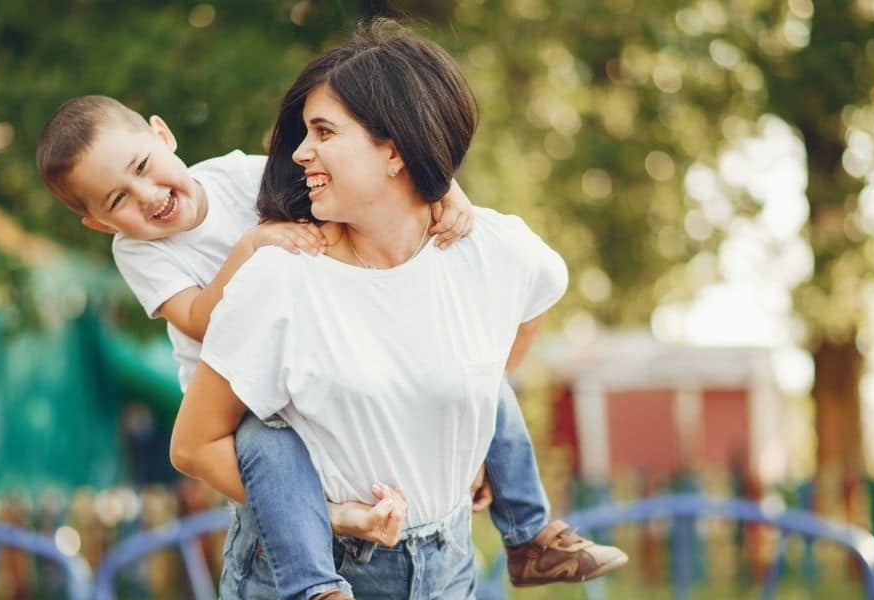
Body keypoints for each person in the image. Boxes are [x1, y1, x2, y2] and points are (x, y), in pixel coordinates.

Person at [169, 19, 628, 599]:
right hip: (305, 573)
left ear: (394, 149)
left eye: (324, 131)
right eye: (303, 133)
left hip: (448, 566)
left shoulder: (494, 251)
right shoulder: (280, 278)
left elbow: (533, 304)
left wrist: (465, 422)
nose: (299, 151)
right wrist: (330, 514)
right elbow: (192, 445)